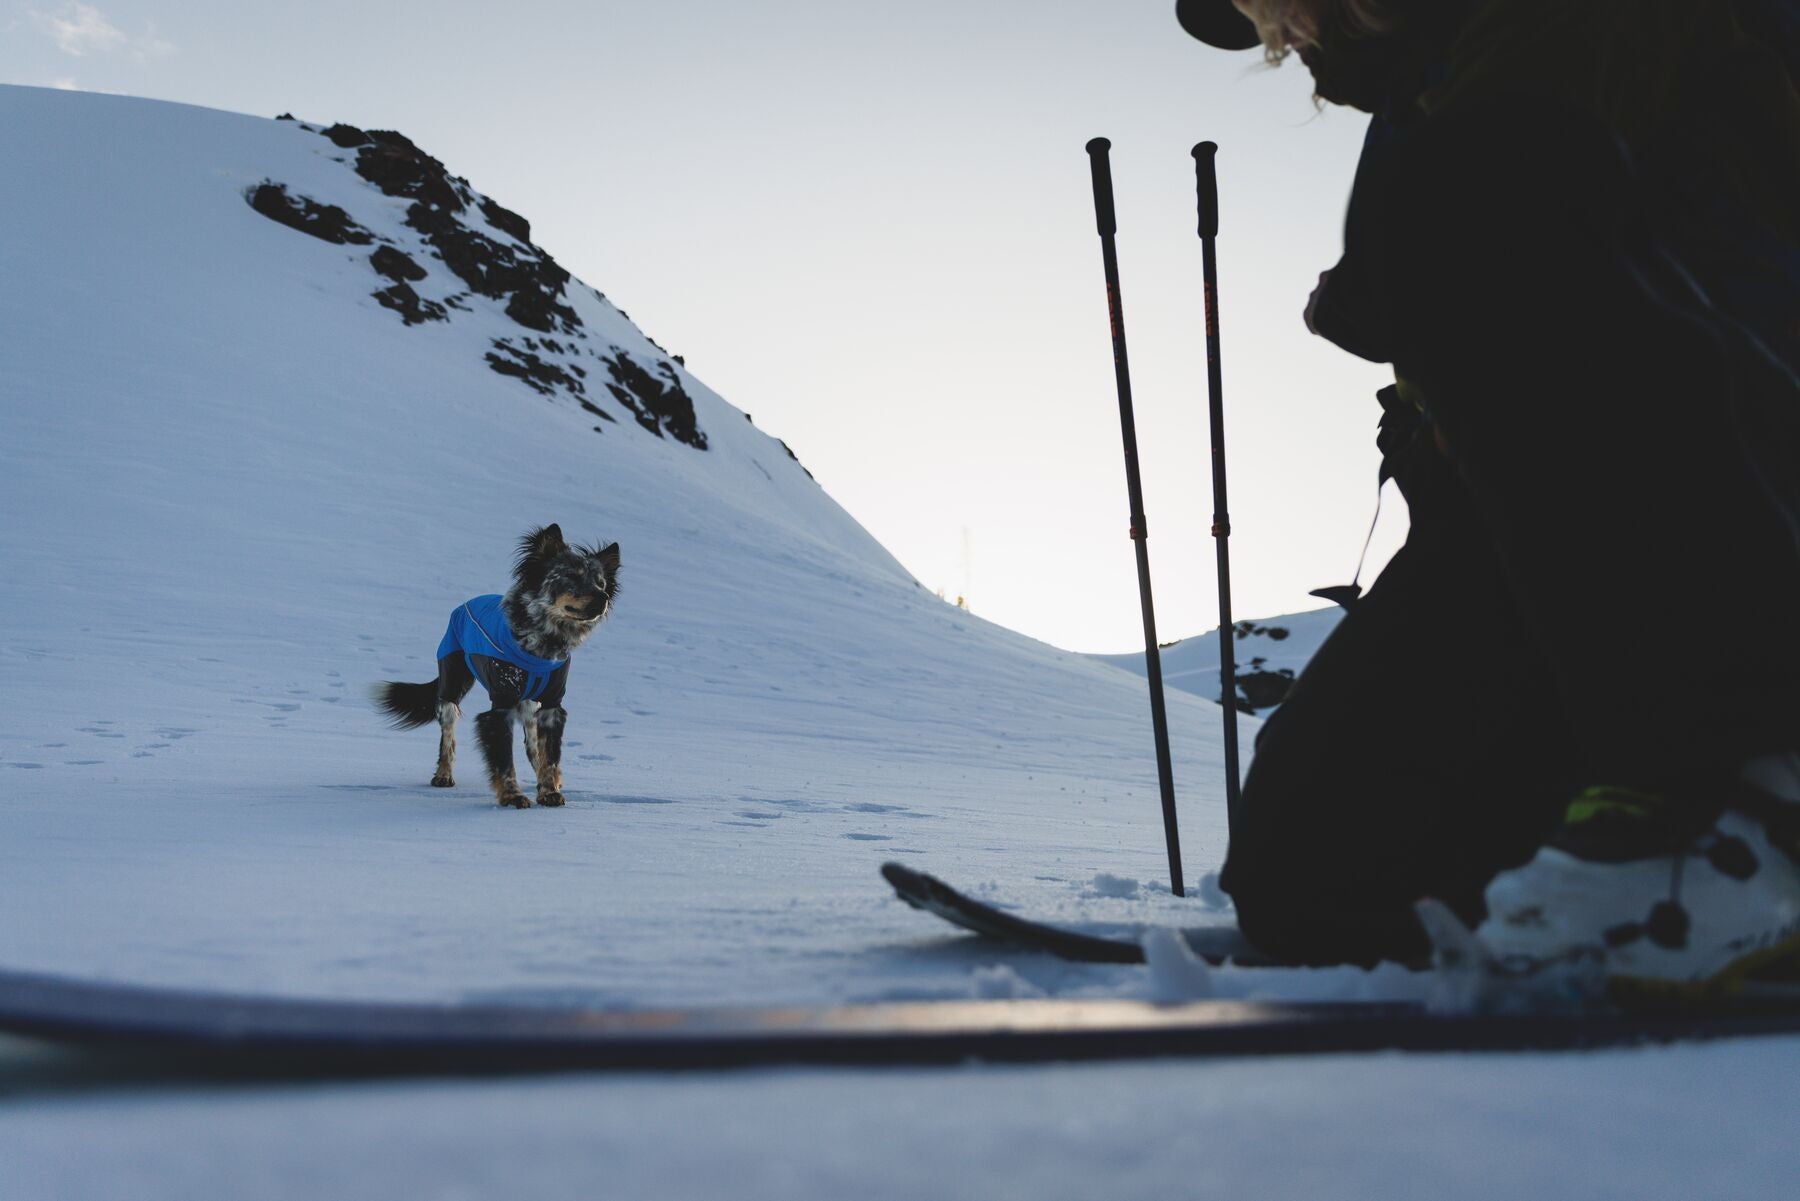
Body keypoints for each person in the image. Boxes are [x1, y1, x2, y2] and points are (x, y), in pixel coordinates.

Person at [1175, 0, 1800, 994]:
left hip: (1753, 486)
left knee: (1469, 192)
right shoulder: (1423, 102)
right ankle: (1630, 853)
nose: (1277, 37)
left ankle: (1737, 812)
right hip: (1626, 536)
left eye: (1269, 6)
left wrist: (1429, 267)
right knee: (1315, 877)